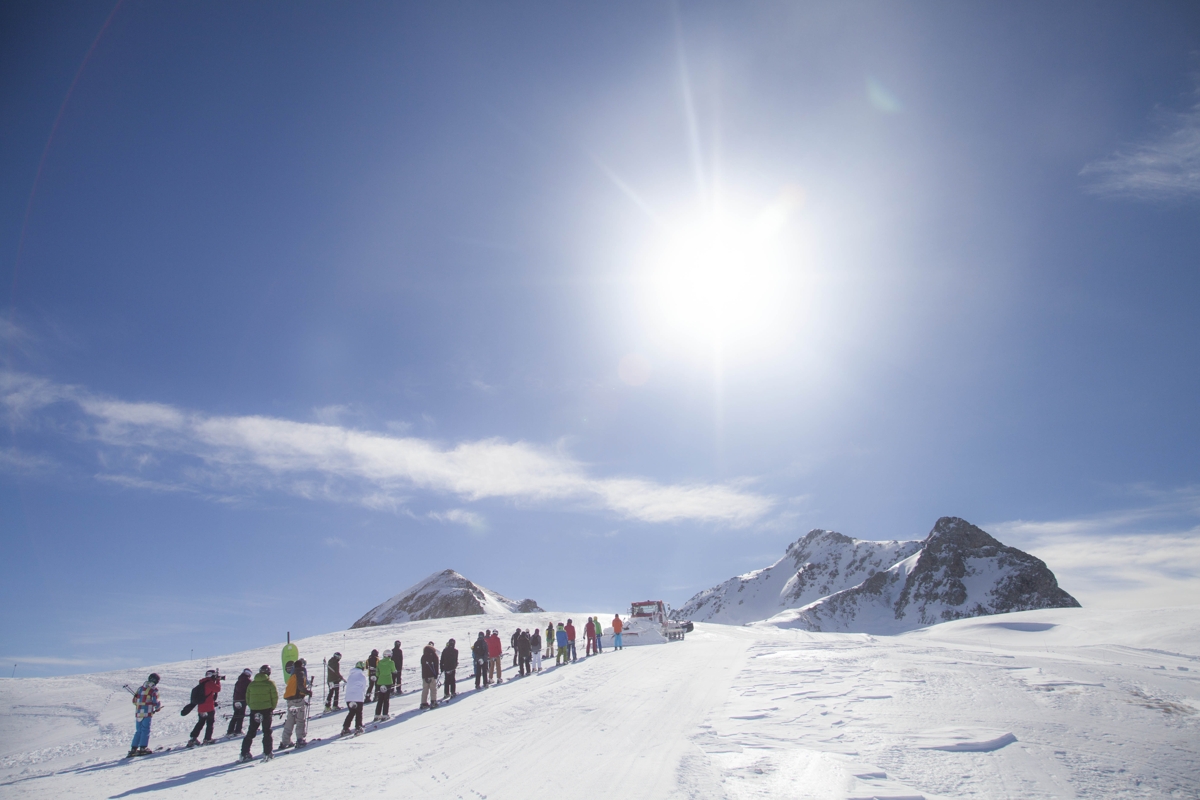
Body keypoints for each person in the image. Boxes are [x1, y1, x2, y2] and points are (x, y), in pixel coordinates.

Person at [240, 665, 278, 762]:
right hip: (266, 709)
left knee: (251, 731)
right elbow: (274, 697)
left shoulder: (252, 684)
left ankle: (244, 753)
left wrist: (253, 706)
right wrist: (272, 707)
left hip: (254, 710)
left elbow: (247, 698)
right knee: (267, 731)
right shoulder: (270, 683)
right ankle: (267, 752)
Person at [127, 673, 161, 757]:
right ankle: (143, 748)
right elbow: (154, 702)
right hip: (147, 712)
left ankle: (133, 749)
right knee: (145, 730)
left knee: (138, 731)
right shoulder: (153, 690)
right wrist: (158, 707)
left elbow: (134, 701)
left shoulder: (140, 689)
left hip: (138, 713)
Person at [279, 658, 311, 749]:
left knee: (290, 720)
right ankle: (300, 739)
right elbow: (300, 686)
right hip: (298, 699)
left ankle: (285, 741)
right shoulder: (300, 673)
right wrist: (307, 692)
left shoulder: (292, 675)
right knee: (300, 719)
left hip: (290, 700)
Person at [187, 669, 221, 747]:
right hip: (209, 707)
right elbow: (218, 689)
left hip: (201, 708)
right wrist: (218, 681)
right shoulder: (209, 683)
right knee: (210, 723)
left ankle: (193, 738)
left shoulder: (202, 683)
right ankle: (207, 739)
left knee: (200, 723)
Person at [341, 661, 367, 735]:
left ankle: (345, 727)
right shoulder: (362, 676)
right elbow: (363, 687)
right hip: (358, 697)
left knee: (352, 712)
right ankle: (358, 727)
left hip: (349, 698)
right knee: (358, 712)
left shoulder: (350, 676)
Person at [226, 668, 252, 737]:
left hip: (236, 700)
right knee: (241, 715)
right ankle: (238, 730)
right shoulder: (248, 681)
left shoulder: (238, 681)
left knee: (235, 715)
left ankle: (230, 731)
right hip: (243, 700)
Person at [374, 650, 396, 721]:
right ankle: (385, 714)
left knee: (380, 699)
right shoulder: (391, 662)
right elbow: (393, 670)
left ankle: (377, 715)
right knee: (386, 699)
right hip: (388, 682)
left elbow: (377, 673)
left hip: (380, 682)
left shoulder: (380, 662)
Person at [420, 642, 440, 709]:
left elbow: (423, 667)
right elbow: (436, 665)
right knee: (433, 689)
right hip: (432, 674)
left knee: (425, 689)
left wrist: (424, 676)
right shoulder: (434, 655)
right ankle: (433, 701)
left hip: (425, 675)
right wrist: (436, 674)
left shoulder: (423, 656)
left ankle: (423, 702)